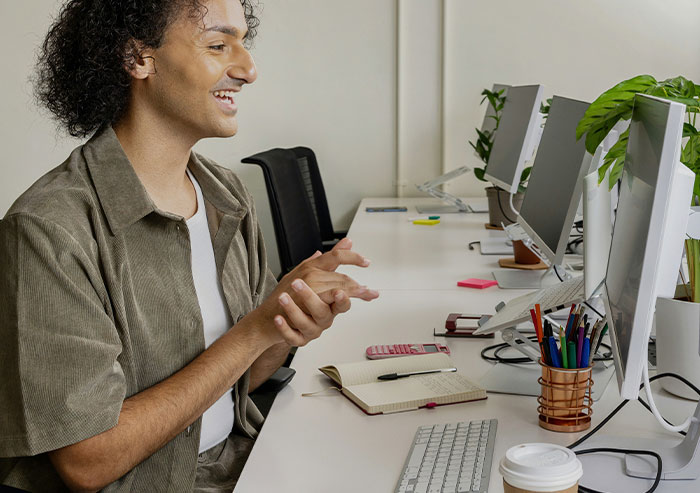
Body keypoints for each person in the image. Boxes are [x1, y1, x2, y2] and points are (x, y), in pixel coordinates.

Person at [0, 0, 379, 491]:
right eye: (218, 45)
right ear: (139, 58)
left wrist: (286, 320)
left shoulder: (224, 194)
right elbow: (86, 462)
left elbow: (246, 381)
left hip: (241, 462)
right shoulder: (48, 229)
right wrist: (252, 331)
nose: (248, 69)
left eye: (244, 44)